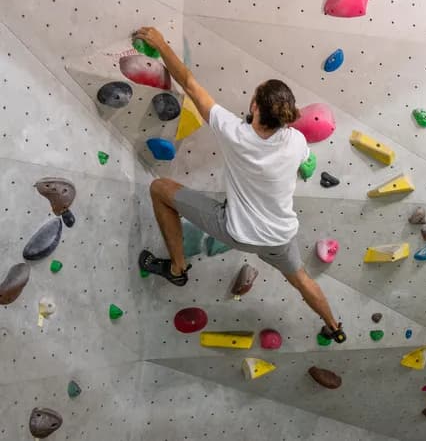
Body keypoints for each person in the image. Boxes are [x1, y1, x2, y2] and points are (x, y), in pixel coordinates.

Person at [133, 26, 346, 343]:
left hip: (235, 230)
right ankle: (334, 326)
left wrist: (160, 43)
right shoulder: (297, 141)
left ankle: (177, 269)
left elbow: (190, 84)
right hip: (278, 238)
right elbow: (290, 150)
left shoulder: (234, 132)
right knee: (301, 279)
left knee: (160, 189)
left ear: (255, 108)